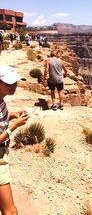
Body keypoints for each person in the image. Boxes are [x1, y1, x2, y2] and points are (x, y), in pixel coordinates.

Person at [0, 65, 30, 215]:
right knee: (10, 211)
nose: (15, 86)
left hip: (2, 155)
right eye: (10, 83)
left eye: (15, 82)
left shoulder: (1, 101)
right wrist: (14, 126)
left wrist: (11, 115)